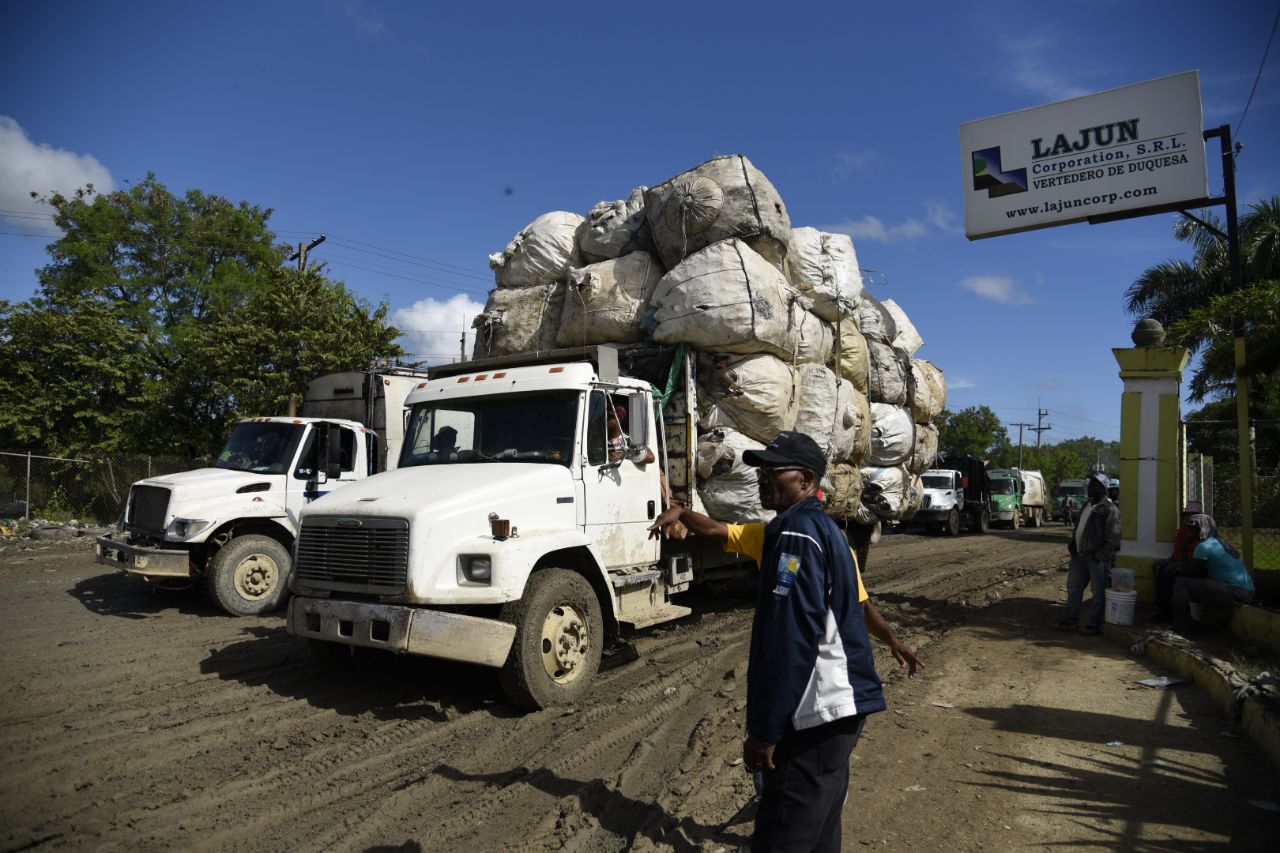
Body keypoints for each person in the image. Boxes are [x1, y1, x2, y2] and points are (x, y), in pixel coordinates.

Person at [653, 430, 911, 852]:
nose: (763, 478)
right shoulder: (813, 532)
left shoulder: (796, 538)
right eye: (761, 470)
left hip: (815, 713)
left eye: (775, 471)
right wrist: (681, 512)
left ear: (806, 481)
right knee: (821, 833)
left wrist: (766, 730)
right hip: (840, 710)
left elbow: (791, 641)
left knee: (782, 837)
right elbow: (718, 530)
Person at [1055, 471, 1121, 636]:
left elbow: (1113, 538)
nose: (1090, 487)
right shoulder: (1086, 505)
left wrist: (1099, 556)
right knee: (1073, 590)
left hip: (1097, 559)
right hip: (1079, 556)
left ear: (1104, 489)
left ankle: (1093, 625)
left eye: (1094, 485)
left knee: (1098, 593)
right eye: (1090, 483)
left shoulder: (1110, 509)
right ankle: (1070, 621)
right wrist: (1073, 543)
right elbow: (1079, 527)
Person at [1171, 514, 1254, 634]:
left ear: (1202, 528)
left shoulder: (1204, 547)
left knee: (1181, 583)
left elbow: (1187, 572)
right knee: (1195, 584)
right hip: (1247, 591)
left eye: (1193, 528)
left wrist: (1184, 548)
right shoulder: (1219, 543)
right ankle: (1198, 622)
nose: (1189, 531)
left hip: (1234, 591)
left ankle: (1179, 626)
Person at [1151, 501, 1206, 621]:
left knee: (1170, 573)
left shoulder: (1203, 532)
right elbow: (1178, 549)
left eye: (1193, 515)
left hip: (1192, 562)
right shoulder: (1184, 530)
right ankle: (1162, 606)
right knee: (1157, 567)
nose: (1189, 517)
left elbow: (1198, 554)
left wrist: (1178, 561)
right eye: (1188, 515)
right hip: (1180, 558)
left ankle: (1167, 609)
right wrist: (1175, 559)